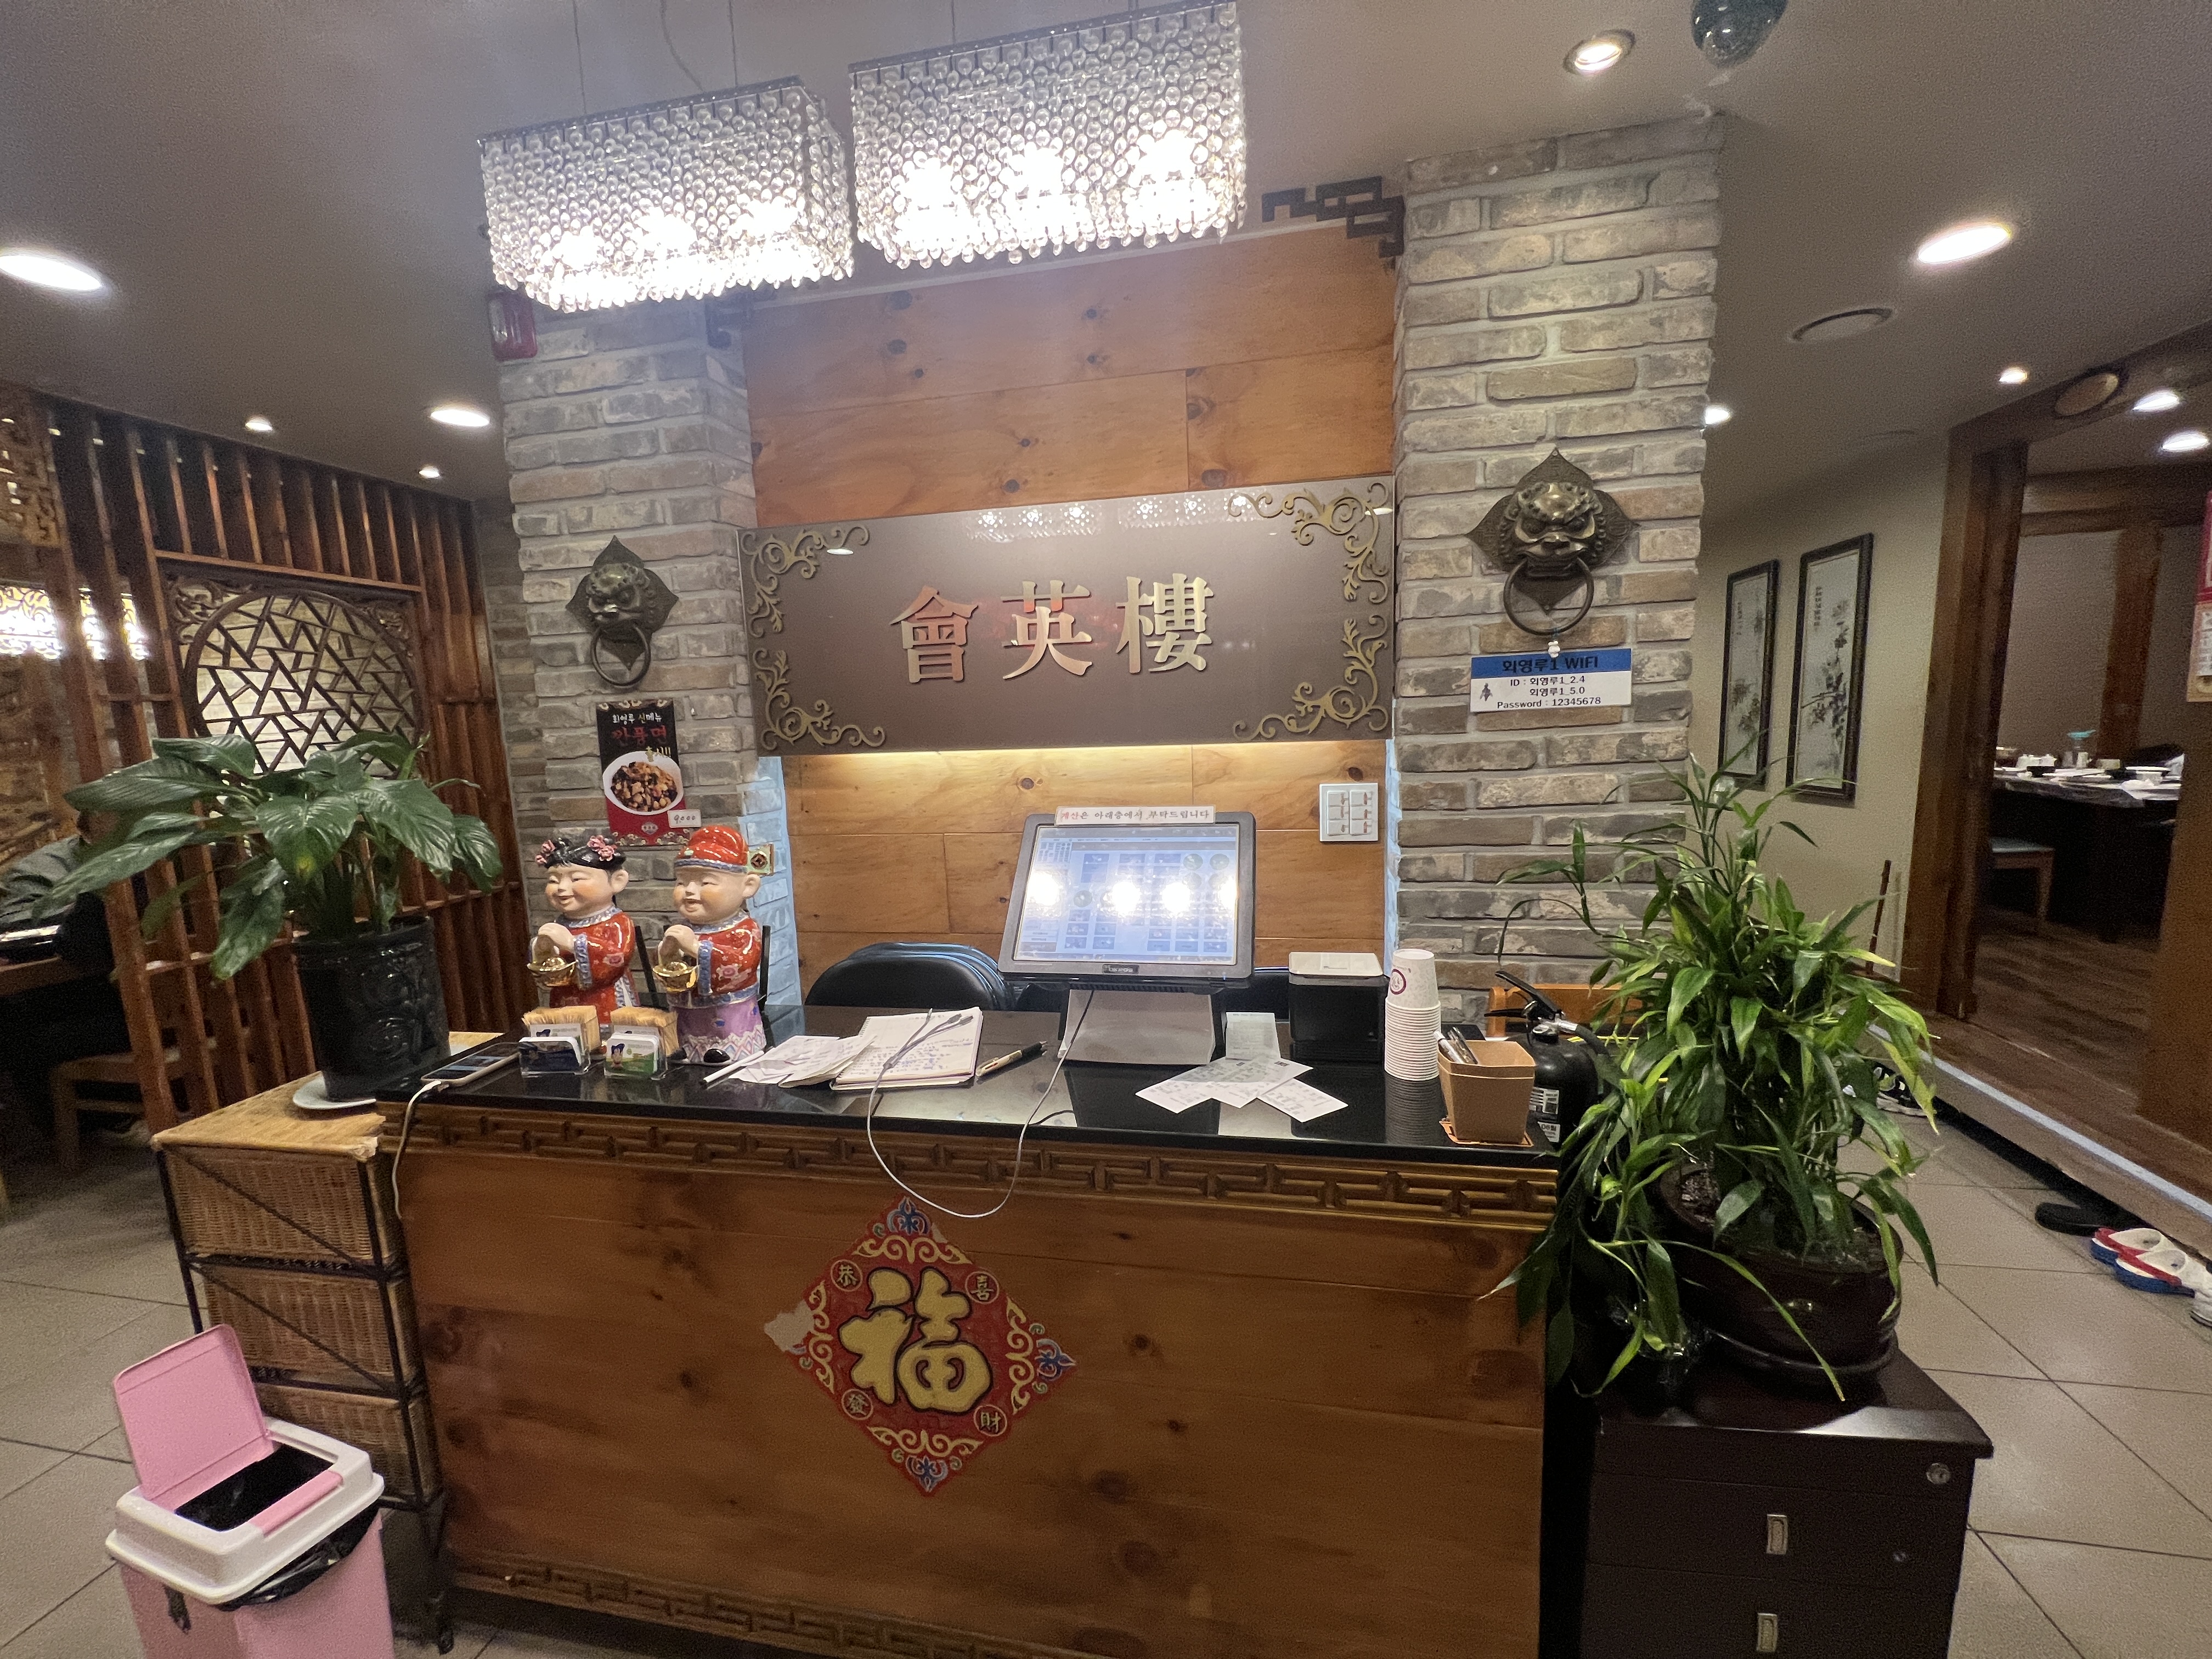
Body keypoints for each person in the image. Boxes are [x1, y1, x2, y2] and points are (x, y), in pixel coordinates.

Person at [0, 831, 136, 1142]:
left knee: (18, 1031)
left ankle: (90, 1127)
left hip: (133, 1015)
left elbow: (78, 943)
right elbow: (13, 921)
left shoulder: (122, 871)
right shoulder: (45, 867)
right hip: (185, 1009)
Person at [529, 833, 640, 1026]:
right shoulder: (560, 924)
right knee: (570, 1034)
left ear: (617, 881)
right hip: (565, 1000)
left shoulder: (617, 922)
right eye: (554, 880)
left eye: (577, 879)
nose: (562, 888)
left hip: (606, 999)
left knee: (608, 1038)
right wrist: (542, 948)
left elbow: (617, 958)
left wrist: (573, 944)